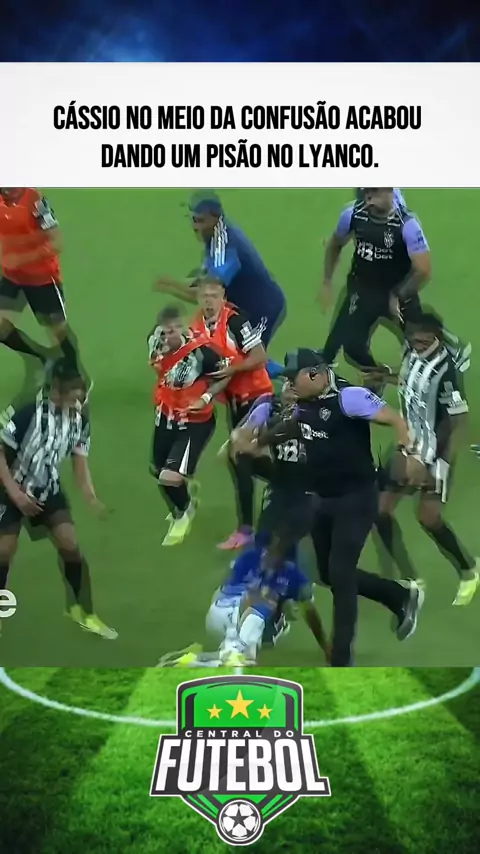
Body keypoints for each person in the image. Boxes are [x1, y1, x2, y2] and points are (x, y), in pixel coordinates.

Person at [238, 348, 425, 667]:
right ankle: (398, 595)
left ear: (315, 374)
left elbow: (395, 419)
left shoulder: (349, 398)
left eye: (293, 378)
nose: (288, 385)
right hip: (321, 498)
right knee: (327, 572)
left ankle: (341, 657)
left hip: (357, 498)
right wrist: (258, 443)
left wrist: (407, 452)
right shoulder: (304, 403)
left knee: (340, 572)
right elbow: (292, 426)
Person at [0, 359, 116, 640]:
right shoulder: (27, 412)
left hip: (47, 491)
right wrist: (15, 494)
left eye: (81, 394)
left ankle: (82, 611)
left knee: (70, 546)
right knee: (4, 551)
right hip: (10, 489)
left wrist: (91, 496)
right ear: (56, 392)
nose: (80, 400)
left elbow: (79, 461)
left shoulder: (80, 421)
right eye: (74, 395)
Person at [372, 312, 479, 606]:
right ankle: (410, 578)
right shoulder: (411, 351)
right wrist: (386, 377)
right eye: (412, 339)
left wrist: (440, 464)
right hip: (409, 442)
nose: (415, 344)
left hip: (435, 450)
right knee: (380, 510)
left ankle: (469, 570)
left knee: (428, 518)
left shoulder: (447, 371)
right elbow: (409, 378)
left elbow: (459, 421)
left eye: (421, 340)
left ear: (436, 337)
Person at [319, 188, 470, 381]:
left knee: (420, 337)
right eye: (365, 191)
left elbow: (423, 270)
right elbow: (335, 244)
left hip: (397, 291)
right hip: (362, 289)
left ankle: (452, 351)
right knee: (353, 347)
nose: (368, 197)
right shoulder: (352, 215)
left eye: (375, 191)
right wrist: (327, 280)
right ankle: (382, 375)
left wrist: (399, 295)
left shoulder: (407, 225)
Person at [154, 192, 286, 378]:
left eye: (201, 221)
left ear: (215, 217)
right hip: (243, 308)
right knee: (237, 358)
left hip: (263, 309)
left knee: (248, 361)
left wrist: (171, 285)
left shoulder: (225, 249)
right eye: (193, 220)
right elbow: (206, 282)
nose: (195, 226)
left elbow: (209, 294)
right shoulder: (216, 234)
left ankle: (291, 379)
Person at [157, 530, 330, 668]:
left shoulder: (255, 558)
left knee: (252, 654)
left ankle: (200, 657)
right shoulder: (276, 568)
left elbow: (309, 613)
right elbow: (305, 611)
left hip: (228, 618)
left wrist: (325, 646)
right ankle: (230, 650)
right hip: (229, 614)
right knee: (267, 603)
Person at [191, 277, 273, 549]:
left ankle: (246, 530)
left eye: (214, 296)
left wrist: (233, 369)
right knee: (243, 461)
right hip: (235, 403)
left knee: (238, 456)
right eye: (205, 296)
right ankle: (294, 486)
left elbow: (260, 356)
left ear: (223, 297)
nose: (209, 301)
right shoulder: (196, 326)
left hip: (258, 397)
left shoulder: (236, 322)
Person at [149, 304, 232, 546]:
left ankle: (183, 513)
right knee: (157, 470)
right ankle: (183, 496)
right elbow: (161, 373)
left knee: (168, 477)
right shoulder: (154, 342)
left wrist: (205, 397)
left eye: (173, 330)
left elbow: (226, 373)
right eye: (164, 331)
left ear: (183, 327)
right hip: (165, 417)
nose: (168, 336)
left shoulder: (203, 352)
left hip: (194, 422)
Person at [0, 188, 81, 373]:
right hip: (12, 277)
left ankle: (74, 375)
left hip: (42, 278)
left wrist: (21, 259)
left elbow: (57, 242)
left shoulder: (35, 200)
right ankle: (43, 358)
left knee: (58, 332)